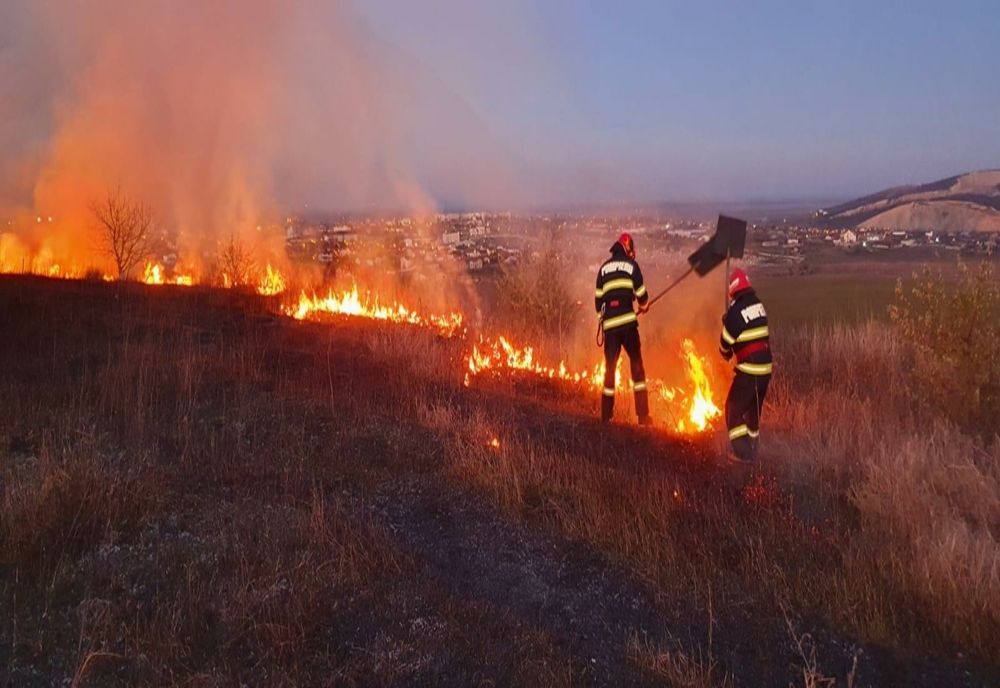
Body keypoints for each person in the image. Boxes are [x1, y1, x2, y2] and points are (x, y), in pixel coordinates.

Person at [594, 232, 650, 424]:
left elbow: (597, 303)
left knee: (610, 370)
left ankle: (605, 416)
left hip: (610, 328)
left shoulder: (603, 269)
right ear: (627, 248)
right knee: (637, 367)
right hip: (627, 324)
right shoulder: (631, 266)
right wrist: (643, 306)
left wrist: (608, 316)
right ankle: (642, 416)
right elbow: (641, 294)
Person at [718, 268, 772, 463]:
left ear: (732, 291)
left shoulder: (735, 311)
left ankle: (743, 455)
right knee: (752, 413)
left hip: (750, 370)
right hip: (766, 369)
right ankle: (754, 450)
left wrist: (726, 323)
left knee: (732, 411)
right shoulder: (759, 305)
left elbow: (724, 348)